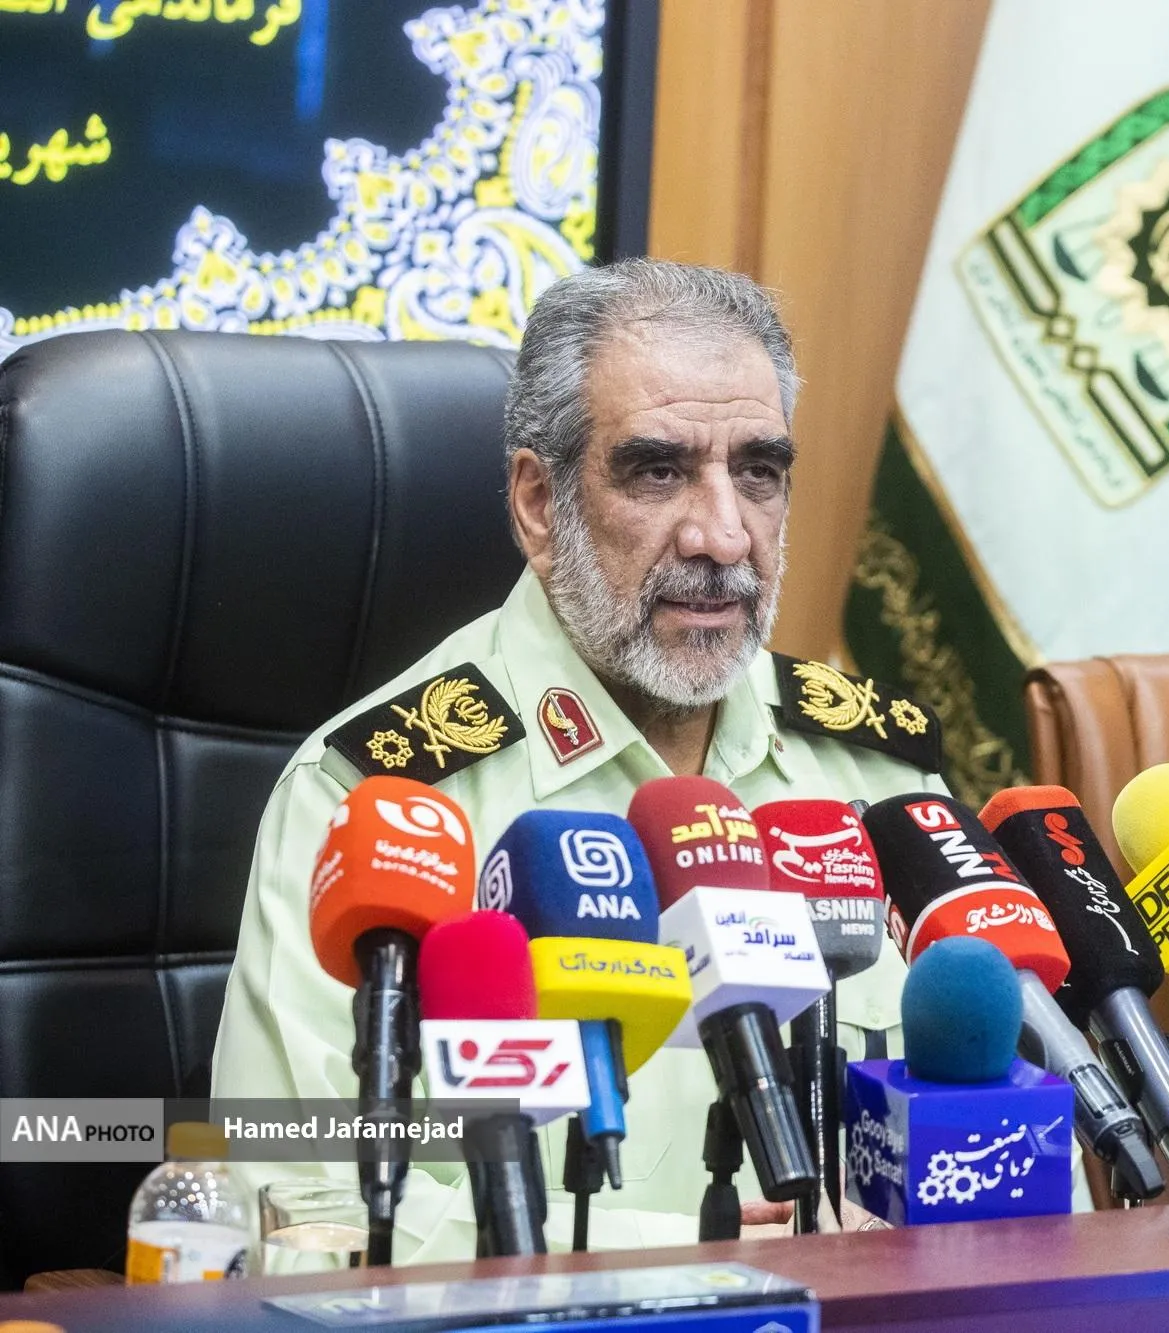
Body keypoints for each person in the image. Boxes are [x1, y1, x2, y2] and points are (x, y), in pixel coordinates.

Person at [210, 259, 950, 1258]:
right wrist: (677, 1257)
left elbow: (1025, 1148)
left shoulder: (879, 778)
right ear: (537, 503)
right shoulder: (380, 804)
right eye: (658, 471)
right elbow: (298, 1209)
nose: (724, 535)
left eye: (758, 472)